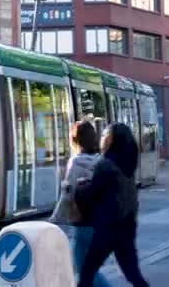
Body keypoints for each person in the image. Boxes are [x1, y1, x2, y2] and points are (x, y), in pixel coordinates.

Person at [75, 123, 149, 287]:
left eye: (105, 135)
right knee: (133, 274)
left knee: (87, 272)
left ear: (112, 140)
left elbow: (91, 195)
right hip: (127, 226)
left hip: (108, 227)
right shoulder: (128, 162)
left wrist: (78, 189)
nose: (101, 139)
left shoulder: (105, 164)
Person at [49, 121, 111, 287]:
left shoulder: (76, 163)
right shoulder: (102, 161)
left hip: (82, 223)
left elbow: (67, 195)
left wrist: (54, 219)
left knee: (84, 270)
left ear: (75, 140)